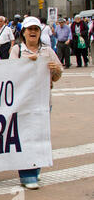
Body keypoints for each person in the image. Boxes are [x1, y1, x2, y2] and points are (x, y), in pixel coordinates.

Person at [9, 16, 62, 189]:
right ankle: (27, 175)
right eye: (29, 29)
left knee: (40, 136)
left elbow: (57, 75)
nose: (32, 32)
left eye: (36, 29)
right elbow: (9, 75)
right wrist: (25, 63)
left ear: (40, 32)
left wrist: (55, 71)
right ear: (23, 32)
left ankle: (35, 169)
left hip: (43, 102)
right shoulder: (17, 50)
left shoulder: (47, 51)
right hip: (23, 103)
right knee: (25, 137)